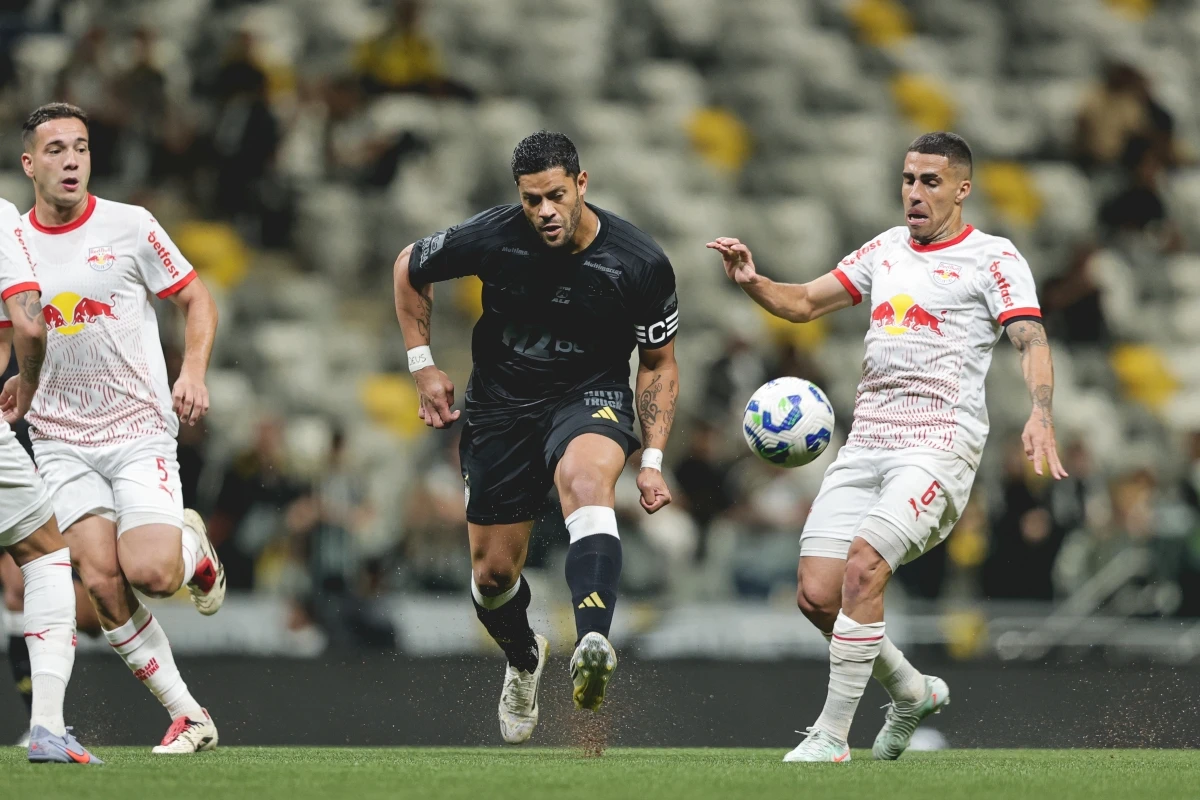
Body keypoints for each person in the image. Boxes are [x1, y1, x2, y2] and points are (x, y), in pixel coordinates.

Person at [708, 131, 1067, 763]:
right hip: (867, 442)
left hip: (937, 447)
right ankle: (911, 690)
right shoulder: (885, 249)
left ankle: (831, 736)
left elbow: (1031, 339)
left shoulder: (993, 257)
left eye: (930, 181)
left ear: (962, 188)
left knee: (864, 565)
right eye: (908, 180)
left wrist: (1040, 412)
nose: (914, 193)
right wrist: (751, 280)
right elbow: (802, 304)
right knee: (817, 595)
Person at [392, 131, 679, 743]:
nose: (544, 211)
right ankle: (524, 655)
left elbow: (658, 362)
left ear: (581, 183)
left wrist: (651, 458)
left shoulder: (639, 261)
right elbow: (410, 265)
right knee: (493, 578)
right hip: (499, 407)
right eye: (530, 200)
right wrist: (423, 365)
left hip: (589, 395)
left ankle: (594, 637)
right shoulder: (494, 236)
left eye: (555, 195)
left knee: (585, 482)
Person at [18, 102, 225, 754]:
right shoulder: (13, 243)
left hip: (137, 429)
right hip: (58, 440)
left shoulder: (129, 225)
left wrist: (192, 371)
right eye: (55, 149)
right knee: (102, 584)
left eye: (79, 146)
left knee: (153, 576)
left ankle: (193, 551)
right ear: (29, 164)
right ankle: (190, 714)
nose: (72, 158)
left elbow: (196, 297)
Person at [0, 197, 100, 763]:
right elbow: (30, 329)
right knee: (45, 560)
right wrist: (30, 383)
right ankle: (47, 730)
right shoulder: (3, 219)